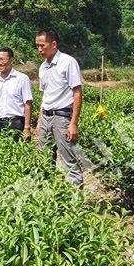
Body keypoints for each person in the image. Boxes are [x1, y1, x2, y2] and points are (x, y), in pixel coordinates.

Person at [35, 28, 84, 188]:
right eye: (37, 46)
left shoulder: (68, 62)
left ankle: (76, 202)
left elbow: (77, 92)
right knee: (43, 158)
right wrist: (39, 122)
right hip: (46, 117)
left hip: (62, 118)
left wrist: (73, 123)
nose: (39, 49)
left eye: (42, 45)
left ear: (54, 44)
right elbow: (45, 96)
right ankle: (47, 198)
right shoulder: (43, 67)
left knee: (68, 159)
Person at [0, 47, 33, 140]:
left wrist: (27, 127)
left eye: (2, 59)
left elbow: (28, 104)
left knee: (16, 151)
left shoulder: (22, 78)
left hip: (17, 122)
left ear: (11, 60)